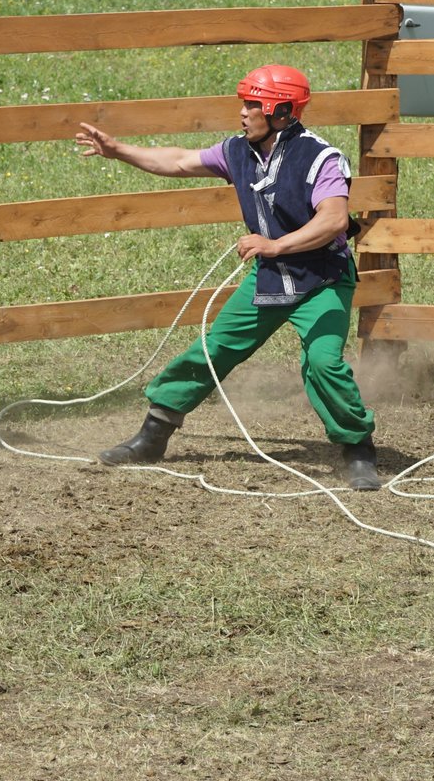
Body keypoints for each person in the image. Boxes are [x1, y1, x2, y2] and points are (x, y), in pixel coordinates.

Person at [73, 65, 381, 490]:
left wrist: (275, 245)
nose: (243, 112)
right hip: (270, 278)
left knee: (323, 362)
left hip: (322, 279)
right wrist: (119, 150)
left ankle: (358, 448)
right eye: (245, 102)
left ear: (282, 112)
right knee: (215, 348)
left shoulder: (322, 159)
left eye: (254, 104)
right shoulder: (237, 151)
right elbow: (178, 161)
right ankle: (154, 434)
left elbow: (333, 220)